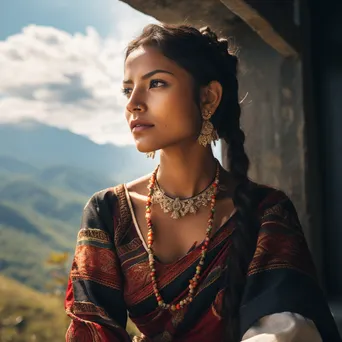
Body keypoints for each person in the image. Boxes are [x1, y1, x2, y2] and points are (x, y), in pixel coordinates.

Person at [64, 23, 341, 342]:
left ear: (208, 98)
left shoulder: (266, 212)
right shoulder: (109, 212)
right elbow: (91, 328)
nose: (133, 103)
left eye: (155, 83)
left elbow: (288, 328)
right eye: (128, 89)